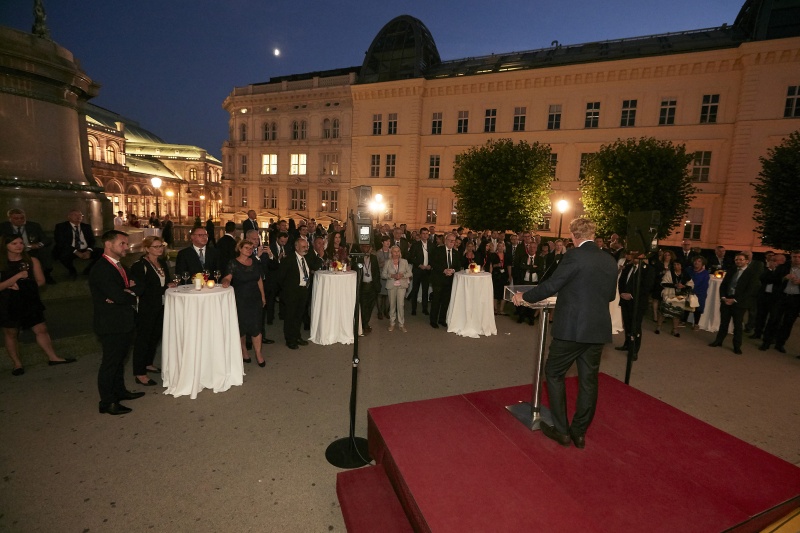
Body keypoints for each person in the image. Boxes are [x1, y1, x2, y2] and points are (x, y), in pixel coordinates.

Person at [511, 218, 618, 449]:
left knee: (554, 373)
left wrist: (523, 297)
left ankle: (561, 431)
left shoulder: (573, 256)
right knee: (589, 381)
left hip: (572, 328)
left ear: (573, 236)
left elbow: (552, 285)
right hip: (597, 329)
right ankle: (579, 433)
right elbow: (610, 295)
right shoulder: (609, 259)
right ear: (593, 233)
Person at [0, 234, 75, 376]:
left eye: (21, 243)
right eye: (14, 243)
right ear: (5, 246)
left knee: (41, 328)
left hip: (29, 299)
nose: (19, 246)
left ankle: (53, 357)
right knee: (11, 332)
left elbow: (40, 281)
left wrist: (22, 285)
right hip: (7, 302)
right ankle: (17, 364)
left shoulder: (32, 260)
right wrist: (15, 279)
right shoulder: (2, 263)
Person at [89, 230, 144, 415]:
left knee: (121, 360)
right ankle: (107, 402)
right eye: (122, 243)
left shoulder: (120, 266)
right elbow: (119, 295)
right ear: (108, 244)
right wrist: (126, 293)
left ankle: (120, 391)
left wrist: (128, 293)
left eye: (126, 244)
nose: (126, 247)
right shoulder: (101, 268)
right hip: (110, 323)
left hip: (124, 320)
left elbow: (138, 286)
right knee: (110, 363)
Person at [129, 236, 174, 386]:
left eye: (161, 245)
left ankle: (148, 363)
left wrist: (169, 284)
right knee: (143, 339)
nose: (160, 248)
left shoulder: (161, 262)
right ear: (147, 249)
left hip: (160, 305)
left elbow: (166, 280)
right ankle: (139, 372)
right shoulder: (140, 265)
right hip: (146, 307)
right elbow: (142, 288)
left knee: (154, 336)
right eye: (155, 246)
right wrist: (165, 288)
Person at [222, 239, 267, 366]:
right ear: (240, 248)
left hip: (255, 298)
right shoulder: (233, 263)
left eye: (251, 248)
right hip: (240, 299)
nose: (249, 250)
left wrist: (263, 296)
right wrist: (225, 281)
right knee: (241, 327)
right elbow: (228, 277)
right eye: (246, 247)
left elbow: (259, 279)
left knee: (256, 327)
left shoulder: (255, 262)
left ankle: (258, 353)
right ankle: (244, 351)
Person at [709, 253, 760, 354]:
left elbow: (750, 290)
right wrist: (723, 297)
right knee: (724, 323)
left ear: (746, 261)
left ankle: (737, 346)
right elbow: (723, 285)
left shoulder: (752, 273)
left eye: (741, 260)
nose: (738, 261)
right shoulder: (732, 270)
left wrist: (735, 300)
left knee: (738, 325)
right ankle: (718, 341)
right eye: (736, 259)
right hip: (726, 300)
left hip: (739, 303)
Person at [1, 208, 56, 284]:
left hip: (31, 250)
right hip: (12, 252)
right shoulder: (3, 227)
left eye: (22, 218)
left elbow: (47, 240)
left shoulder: (34, 226)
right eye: (16, 218)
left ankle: (47, 273)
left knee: (45, 250)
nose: (20, 220)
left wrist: (38, 244)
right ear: (10, 219)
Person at [760, 251, 800, 354]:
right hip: (781, 298)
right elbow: (770, 279)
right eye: (795, 256)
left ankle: (780, 343)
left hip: (795, 299)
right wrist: (783, 278)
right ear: (791, 257)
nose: (797, 259)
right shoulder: (783, 267)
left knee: (788, 322)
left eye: (799, 257)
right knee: (774, 319)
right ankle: (766, 342)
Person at [616, 253, 655, 358]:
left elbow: (646, 286)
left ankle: (634, 350)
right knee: (627, 324)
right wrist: (622, 293)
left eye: (640, 255)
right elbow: (621, 281)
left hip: (637, 302)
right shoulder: (628, 267)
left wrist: (631, 295)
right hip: (625, 300)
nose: (637, 257)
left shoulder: (648, 269)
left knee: (635, 326)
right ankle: (627, 344)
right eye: (635, 255)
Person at [277, 238, 311, 349]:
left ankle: (297, 336)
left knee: (299, 316)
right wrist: (286, 291)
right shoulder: (289, 259)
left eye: (306, 247)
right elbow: (281, 277)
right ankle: (290, 339)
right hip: (291, 292)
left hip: (303, 291)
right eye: (303, 247)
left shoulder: (305, 258)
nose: (306, 249)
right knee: (290, 316)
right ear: (296, 247)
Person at [53, 209, 102, 279]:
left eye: (80, 215)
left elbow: (92, 240)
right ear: (69, 217)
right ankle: (72, 271)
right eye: (75, 215)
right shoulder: (61, 227)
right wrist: (76, 252)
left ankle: (88, 270)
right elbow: (61, 242)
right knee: (62, 254)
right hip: (70, 249)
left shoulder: (86, 227)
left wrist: (88, 250)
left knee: (103, 252)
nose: (78, 217)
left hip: (85, 249)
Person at [430, 233, 462, 329]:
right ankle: (433, 320)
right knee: (436, 301)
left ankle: (442, 319)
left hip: (449, 280)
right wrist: (444, 270)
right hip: (438, 279)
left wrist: (452, 270)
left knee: (445, 301)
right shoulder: (438, 250)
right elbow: (433, 262)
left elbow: (458, 265)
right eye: (451, 241)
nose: (453, 243)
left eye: (454, 241)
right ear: (446, 240)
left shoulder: (456, 253)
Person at [657, 260, 692, 337]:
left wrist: (684, 286)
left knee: (676, 313)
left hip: (680, 296)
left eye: (678, 264)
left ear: (681, 266)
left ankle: (675, 329)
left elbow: (691, 285)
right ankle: (659, 327)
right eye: (675, 264)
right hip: (669, 294)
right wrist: (674, 285)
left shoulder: (685, 274)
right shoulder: (669, 273)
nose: (676, 266)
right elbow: (663, 283)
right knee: (663, 312)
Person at [382, 245, 412, 332]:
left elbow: (410, 273)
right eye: (394, 251)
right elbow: (383, 275)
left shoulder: (404, 261)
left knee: (401, 305)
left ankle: (401, 324)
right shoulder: (388, 262)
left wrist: (402, 275)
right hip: (391, 285)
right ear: (391, 253)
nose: (396, 253)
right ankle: (392, 323)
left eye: (398, 251)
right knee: (392, 305)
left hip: (402, 286)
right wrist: (391, 275)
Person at [356, 243, 381, 334]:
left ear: (370, 248)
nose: (366, 248)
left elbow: (377, 272)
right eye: (364, 246)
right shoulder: (358, 258)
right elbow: (358, 269)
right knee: (363, 306)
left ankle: (365, 322)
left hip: (372, 286)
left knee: (370, 306)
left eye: (368, 247)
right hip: (363, 286)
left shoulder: (374, 258)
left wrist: (378, 286)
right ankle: (364, 324)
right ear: (361, 248)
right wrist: (361, 263)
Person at [408, 227, 433, 316]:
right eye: (423, 233)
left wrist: (430, 265)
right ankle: (414, 309)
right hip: (418, 270)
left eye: (426, 233)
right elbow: (410, 257)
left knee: (425, 291)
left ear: (428, 235)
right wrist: (419, 265)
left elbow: (434, 258)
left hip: (427, 271)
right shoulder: (416, 244)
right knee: (415, 290)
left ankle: (425, 308)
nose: (425, 235)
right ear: (420, 234)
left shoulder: (431, 245)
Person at [686, 256, 710, 330]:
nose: (696, 263)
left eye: (699, 261)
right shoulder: (689, 270)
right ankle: (683, 320)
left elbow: (704, 285)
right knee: (686, 305)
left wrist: (694, 292)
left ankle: (696, 324)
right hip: (687, 290)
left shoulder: (705, 273)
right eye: (695, 261)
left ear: (702, 263)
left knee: (698, 308)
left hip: (699, 292)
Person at [488, 241, 510, 315]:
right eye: (499, 246)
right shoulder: (493, 255)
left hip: (504, 276)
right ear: (497, 247)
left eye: (502, 246)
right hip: (496, 275)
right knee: (496, 292)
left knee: (503, 293)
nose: (500, 248)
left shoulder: (507, 255)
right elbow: (490, 265)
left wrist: (510, 276)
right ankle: (495, 309)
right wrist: (496, 265)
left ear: (504, 247)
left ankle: (501, 310)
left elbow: (509, 266)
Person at [375, 235, 392, 319]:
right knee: (380, 294)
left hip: (390, 276)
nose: (388, 243)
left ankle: (386, 311)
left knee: (388, 294)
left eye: (389, 241)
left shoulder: (392, 252)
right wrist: (383, 264)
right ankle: (380, 312)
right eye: (386, 241)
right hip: (381, 275)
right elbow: (375, 265)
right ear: (382, 242)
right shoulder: (378, 253)